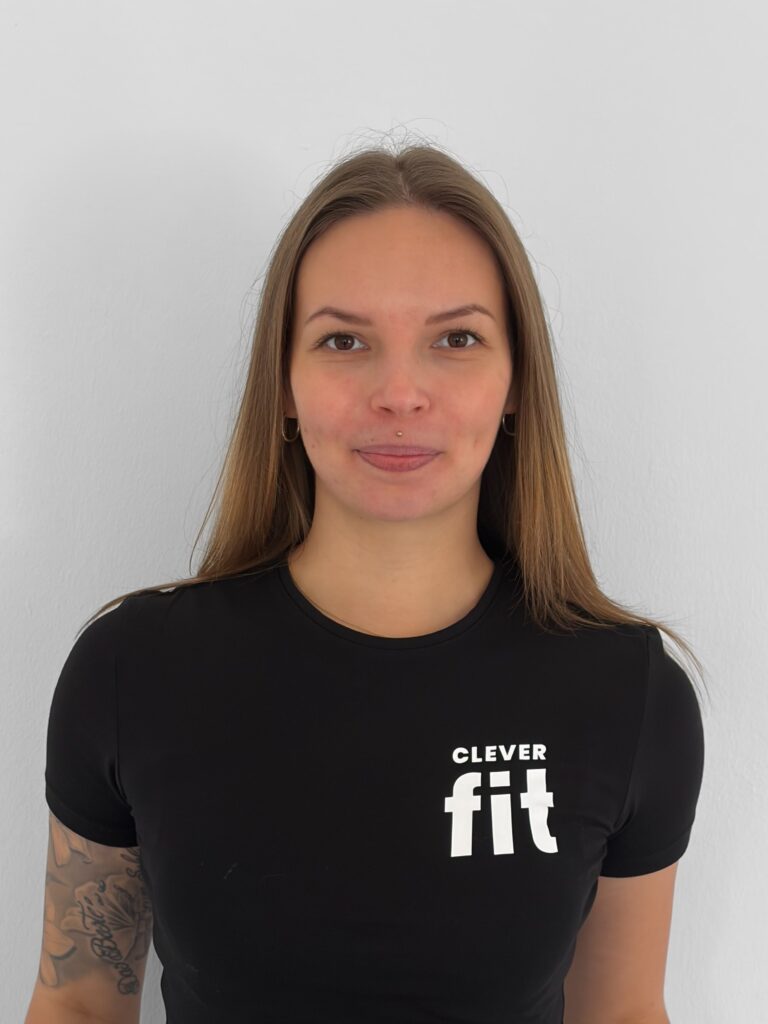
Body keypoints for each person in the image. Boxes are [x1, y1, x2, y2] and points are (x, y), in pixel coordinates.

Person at [27, 142, 707, 1024]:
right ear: (284, 382)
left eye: (456, 339)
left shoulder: (627, 693)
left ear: (515, 382)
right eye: (343, 340)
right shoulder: (133, 670)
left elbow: (621, 1014)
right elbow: (77, 1004)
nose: (399, 392)